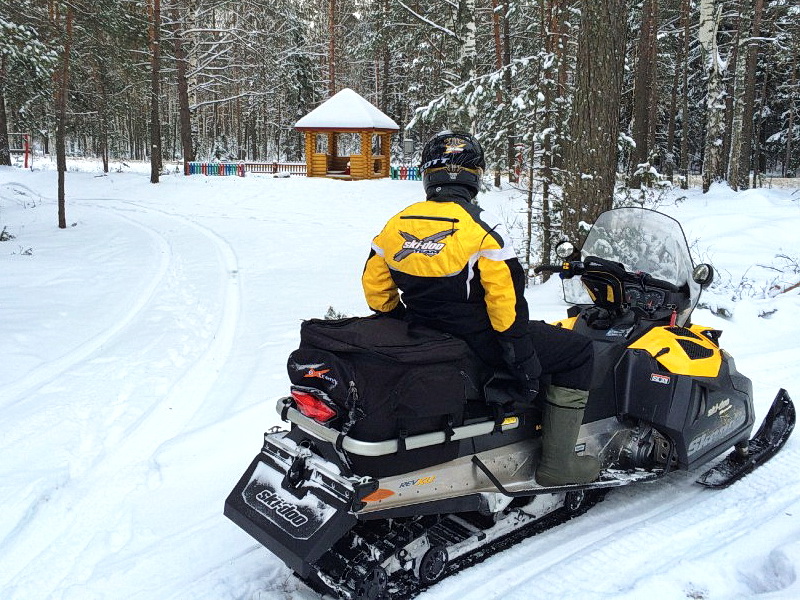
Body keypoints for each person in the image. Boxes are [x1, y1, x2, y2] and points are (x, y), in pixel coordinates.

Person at [361, 130, 599, 486]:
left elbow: (375, 290)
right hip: (480, 339)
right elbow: (506, 306)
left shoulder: (396, 224)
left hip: (425, 333)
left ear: (428, 174)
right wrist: (523, 361)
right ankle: (558, 463)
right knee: (578, 350)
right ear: (475, 176)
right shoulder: (483, 229)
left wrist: (401, 321)